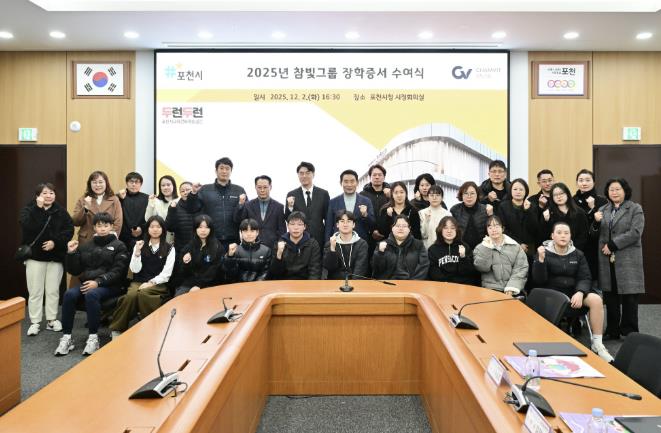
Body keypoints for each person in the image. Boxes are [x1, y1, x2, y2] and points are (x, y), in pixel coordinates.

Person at [532, 222, 614, 362]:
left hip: (574, 293)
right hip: (552, 295)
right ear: (552, 236)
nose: (563, 236)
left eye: (566, 233)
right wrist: (540, 260)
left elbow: (585, 277)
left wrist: (580, 292)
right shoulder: (543, 252)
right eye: (559, 232)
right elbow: (539, 280)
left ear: (570, 236)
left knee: (596, 299)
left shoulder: (578, 254)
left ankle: (597, 344)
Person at [56, 212, 129, 356]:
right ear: (94, 227)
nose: (102, 228)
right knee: (69, 294)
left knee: (91, 294)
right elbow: (74, 270)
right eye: (99, 226)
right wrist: (71, 253)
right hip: (89, 284)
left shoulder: (119, 245)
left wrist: (98, 281)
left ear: (111, 227)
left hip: (111, 285)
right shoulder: (86, 245)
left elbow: (119, 271)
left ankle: (93, 337)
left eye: (106, 225)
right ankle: (66, 337)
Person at [593, 178, 645, 340]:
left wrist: (613, 244)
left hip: (627, 259)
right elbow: (594, 234)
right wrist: (595, 223)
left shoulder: (635, 208)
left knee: (630, 297)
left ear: (625, 191)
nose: (614, 192)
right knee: (610, 296)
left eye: (618, 189)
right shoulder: (603, 209)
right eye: (611, 190)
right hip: (606, 260)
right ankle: (612, 329)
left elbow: (635, 232)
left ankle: (630, 331)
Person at [19, 183, 74, 336]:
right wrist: (38, 209)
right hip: (35, 257)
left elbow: (69, 230)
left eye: (51, 193)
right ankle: (35, 322)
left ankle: (51, 320)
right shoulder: (29, 209)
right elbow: (28, 227)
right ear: (38, 195)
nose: (48, 196)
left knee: (53, 290)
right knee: (35, 291)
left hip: (55, 257)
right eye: (45, 193)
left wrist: (55, 242)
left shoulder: (61, 211)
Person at [108, 215, 174, 339]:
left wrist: (151, 282)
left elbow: (166, 274)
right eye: (152, 227)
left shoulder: (169, 248)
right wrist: (137, 253)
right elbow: (134, 269)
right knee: (131, 295)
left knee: (144, 293)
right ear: (147, 229)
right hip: (138, 282)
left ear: (163, 229)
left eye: (158, 227)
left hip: (158, 284)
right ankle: (117, 328)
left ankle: (151, 328)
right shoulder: (139, 245)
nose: (155, 229)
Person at [184, 157, 247, 250]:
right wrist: (193, 193)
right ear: (216, 171)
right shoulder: (205, 189)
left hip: (233, 240)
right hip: (210, 239)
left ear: (231, 171)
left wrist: (240, 206)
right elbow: (191, 209)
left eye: (227, 168)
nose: (224, 171)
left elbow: (244, 215)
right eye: (221, 168)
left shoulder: (239, 190)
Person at [473, 215, 528, 295]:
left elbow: (521, 269)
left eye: (496, 226)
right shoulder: (480, 248)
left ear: (502, 228)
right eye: (490, 227)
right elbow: (482, 268)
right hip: (490, 290)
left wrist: (511, 287)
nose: (494, 230)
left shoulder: (515, 247)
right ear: (487, 230)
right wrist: (487, 248)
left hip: (513, 289)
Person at [285, 161, 330, 252]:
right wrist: (290, 207)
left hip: (319, 238)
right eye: (301, 173)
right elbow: (287, 218)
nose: (304, 176)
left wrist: (327, 238)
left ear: (313, 174)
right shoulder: (292, 194)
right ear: (298, 175)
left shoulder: (323, 194)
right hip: (299, 238)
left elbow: (328, 218)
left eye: (307, 173)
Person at [174, 214, 224, 296]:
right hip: (190, 283)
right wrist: (185, 263)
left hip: (210, 284)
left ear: (211, 229)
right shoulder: (189, 246)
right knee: (179, 297)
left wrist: (199, 286)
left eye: (206, 227)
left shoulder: (217, 246)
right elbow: (182, 272)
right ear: (195, 229)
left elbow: (214, 271)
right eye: (200, 227)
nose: (203, 230)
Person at [573, 169, 608, 280]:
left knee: (595, 278)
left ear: (594, 182)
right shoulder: (572, 201)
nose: (584, 183)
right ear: (577, 183)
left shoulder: (602, 201)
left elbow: (605, 223)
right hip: (577, 245)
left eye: (588, 180)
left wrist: (593, 208)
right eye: (581, 180)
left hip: (596, 246)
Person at [234, 175, 286, 250]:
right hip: (252, 246)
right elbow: (238, 221)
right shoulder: (248, 205)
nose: (262, 190)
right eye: (259, 187)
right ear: (255, 187)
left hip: (272, 247)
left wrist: (280, 245)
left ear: (270, 187)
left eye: (265, 187)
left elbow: (282, 229)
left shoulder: (279, 207)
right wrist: (240, 204)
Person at [72, 170, 122, 245]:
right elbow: (75, 222)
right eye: (94, 182)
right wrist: (85, 208)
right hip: (87, 240)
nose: (98, 185)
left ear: (106, 183)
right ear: (90, 184)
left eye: (100, 182)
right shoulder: (83, 199)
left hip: (108, 241)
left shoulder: (114, 200)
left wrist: (110, 238)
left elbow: (118, 222)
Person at [372, 215, 429, 280]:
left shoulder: (418, 245)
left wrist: (413, 283)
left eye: (404, 226)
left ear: (409, 229)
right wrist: (380, 254)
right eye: (397, 226)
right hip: (388, 283)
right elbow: (376, 270)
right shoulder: (382, 245)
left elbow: (423, 267)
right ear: (392, 228)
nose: (401, 228)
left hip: (412, 283)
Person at [427, 216, 480, 285]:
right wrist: (448, 284)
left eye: (452, 228)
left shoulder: (464, 247)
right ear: (440, 230)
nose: (449, 231)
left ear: (457, 230)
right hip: (442, 286)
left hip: (463, 286)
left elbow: (470, 272)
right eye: (445, 228)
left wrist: (463, 257)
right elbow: (433, 272)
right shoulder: (433, 249)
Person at [325, 169, 375, 241]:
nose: (349, 185)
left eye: (352, 181)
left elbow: (372, 225)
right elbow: (328, 227)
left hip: (360, 242)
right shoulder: (333, 202)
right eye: (346, 182)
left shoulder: (366, 201)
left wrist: (365, 215)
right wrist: (328, 244)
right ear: (341, 183)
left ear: (357, 183)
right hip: (339, 242)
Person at [270, 211, 321, 280]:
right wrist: (279, 254)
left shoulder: (313, 244)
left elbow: (315, 271)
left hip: (305, 282)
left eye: (299, 224)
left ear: (304, 227)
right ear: (288, 226)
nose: (296, 228)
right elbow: (275, 273)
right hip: (285, 283)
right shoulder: (279, 244)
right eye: (292, 224)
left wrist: (310, 285)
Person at [540, 182, 589, 253]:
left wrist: (572, 250)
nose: (559, 197)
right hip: (554, 252)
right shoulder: (548, 213)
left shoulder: (579, 212)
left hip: (575, 251)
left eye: (561, 193)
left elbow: (584, 235)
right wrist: (546, 221)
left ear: (567, 194)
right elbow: (543, 236)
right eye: (555, 195)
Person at [497, 178, 537, 258]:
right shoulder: (503, 206)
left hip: (529, 248)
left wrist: (528, 211)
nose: (518, 192)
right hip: (510, 246)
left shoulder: (532, 206)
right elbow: (503, 229)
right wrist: (518, 243)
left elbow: (535, 228)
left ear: (526, 191)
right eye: (515, 189)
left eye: (521, 189)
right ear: (511, 191)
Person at [323, 210, 369, 279]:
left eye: (348, 221)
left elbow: (360, 269)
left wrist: (352, 284)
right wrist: (332, 249)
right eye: (342, 221)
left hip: (356, 283)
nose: (345, 224)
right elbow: (329, 268)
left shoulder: (362, 244)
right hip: (335, 283)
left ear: (353, 225)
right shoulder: (330, 243)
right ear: (337, 224)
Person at [223, 219, 272, 283]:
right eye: (245, 231)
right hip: (239, 286)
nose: (249, 234)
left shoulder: (266, 250)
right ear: (241, 233)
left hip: (258, 286)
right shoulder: (235, 250)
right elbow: (229, 274)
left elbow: (266, 272)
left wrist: (257, 285)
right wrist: (230, 257)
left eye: (252, 231)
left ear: (257, 232)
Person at [450, 181, 492, 250]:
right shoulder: (455, 210)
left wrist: (491, 215)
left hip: (483, 248)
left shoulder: (485, 209)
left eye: (472, 193)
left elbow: (491, 228)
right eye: (466, 193)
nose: (469, 196)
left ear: (477, 195)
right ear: (461, 195)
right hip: (460, 248)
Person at [360, 164, 391, 255]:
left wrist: (390, 197)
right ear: (370, 177)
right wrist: (372, 231)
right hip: (368, 237)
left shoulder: (391, 193)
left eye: (380, 175)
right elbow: (361, 216)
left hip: (388, 237)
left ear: (384, 177)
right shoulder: (363, 195)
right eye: (374, 175)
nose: (377, 177)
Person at [117, 172, 149, 250]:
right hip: (123, 237)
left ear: (141, 184)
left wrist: (141, 228)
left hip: (142, 236)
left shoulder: (147, 198)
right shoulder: (119, 197)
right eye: (131, 182)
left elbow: (150, 217)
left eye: (137, 182)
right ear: (126, 183)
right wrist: (119, 198)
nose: (134, 184)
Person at [145, 175, 178, 244]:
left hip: (177, 238)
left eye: (168, 185)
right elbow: (148, 219)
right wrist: (151, 203)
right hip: (159, 238)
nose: (166, 187)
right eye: (163, 185)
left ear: (174, 186)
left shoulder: (179, 201)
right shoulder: (155, 201)